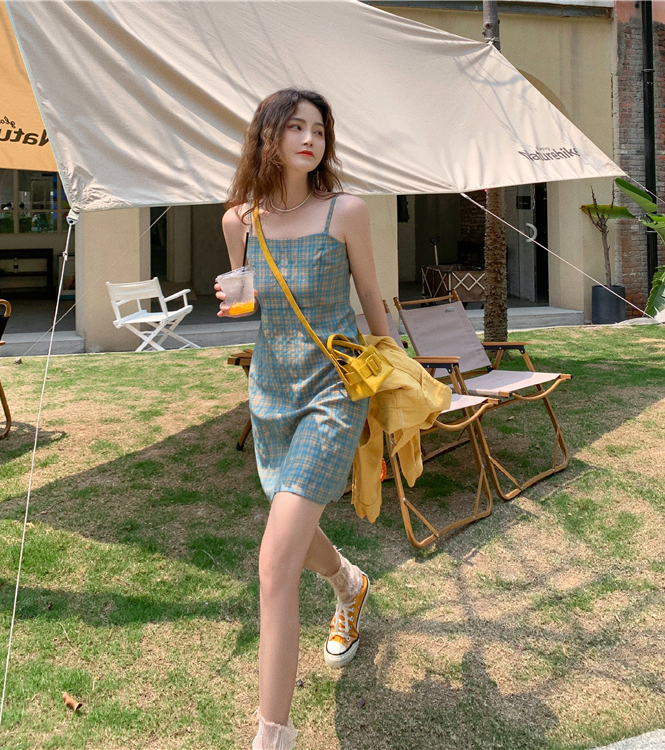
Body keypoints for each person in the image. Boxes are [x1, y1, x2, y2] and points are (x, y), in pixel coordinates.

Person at [215, 88, 391, 750]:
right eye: (295, 127)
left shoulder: (345, 211)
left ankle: (273, 735)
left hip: (333, 392)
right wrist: (233, 299)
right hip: (269, 393)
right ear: (269, 137)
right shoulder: (239, 221)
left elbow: (369, 293)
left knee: (273, 563)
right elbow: (253, 307)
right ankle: (349, 582)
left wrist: (394, 374)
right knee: (292, 531)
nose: (310, 139)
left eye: (319, 129)